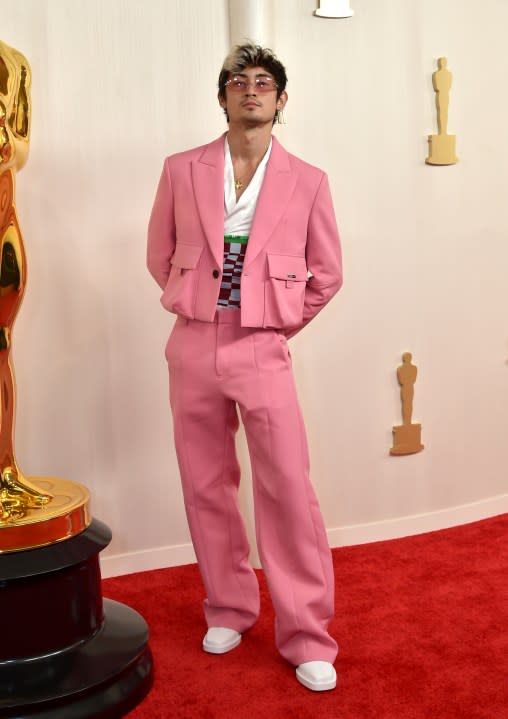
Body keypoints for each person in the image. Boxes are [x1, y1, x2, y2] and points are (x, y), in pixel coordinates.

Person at [147, 42, 342, 692]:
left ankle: (308, 634)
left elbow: (327, 274)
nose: (249, 89)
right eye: (238, 80)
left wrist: (277, 319)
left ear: (281, 100)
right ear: (223, 95)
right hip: (194, 341)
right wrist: (196, 304)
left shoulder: (308, 180)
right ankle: (228, 606)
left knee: (287, 486)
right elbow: (159, 253)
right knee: (206, 482)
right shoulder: (181, 169)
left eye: (263, 82)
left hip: (262, 345)